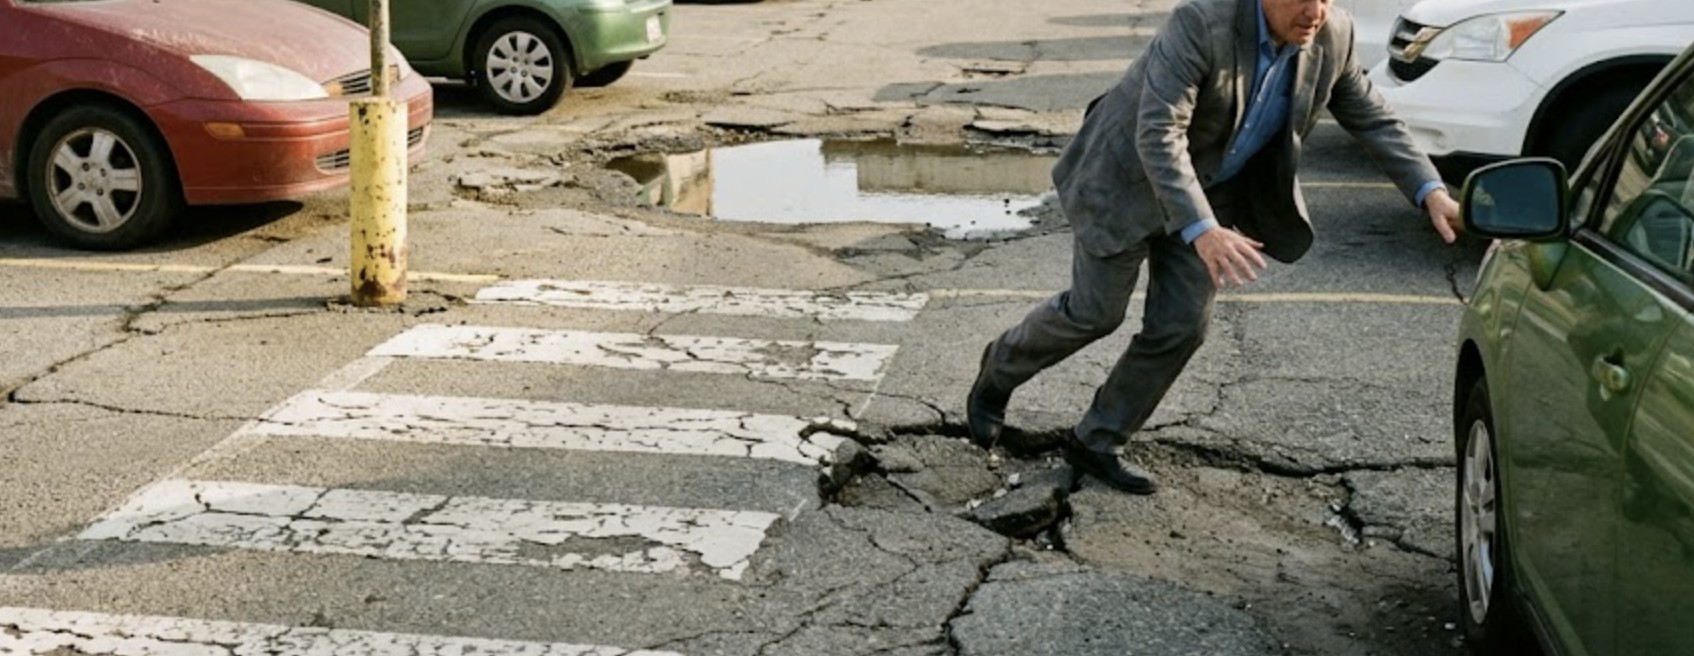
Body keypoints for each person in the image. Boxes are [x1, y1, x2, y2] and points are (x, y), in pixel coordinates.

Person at [965, 0, 1461, 494]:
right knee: (1095, 312)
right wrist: (1202, 229)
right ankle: (998, 371)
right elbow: (1159, 131)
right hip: (1123, 178)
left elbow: (1372, 117)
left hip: (1212, 191)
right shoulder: (1201, 23)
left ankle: (1099, 439)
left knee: (1182, 326)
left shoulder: (1333, 34)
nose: (1314, 11)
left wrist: (1431, 191)